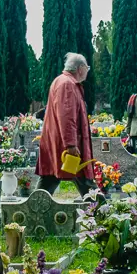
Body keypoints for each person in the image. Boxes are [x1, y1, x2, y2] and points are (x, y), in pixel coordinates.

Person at [36, 53, 97, 197]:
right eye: (87, 67)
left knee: (49, 179)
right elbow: (67, 116)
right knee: (85, 181)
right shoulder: (67, 85)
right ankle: (101, 212)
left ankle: (35, 211)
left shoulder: (62, 82)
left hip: (57, 144)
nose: (88, 70)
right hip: (67, 146)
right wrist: (70, 144)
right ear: (80, 68)